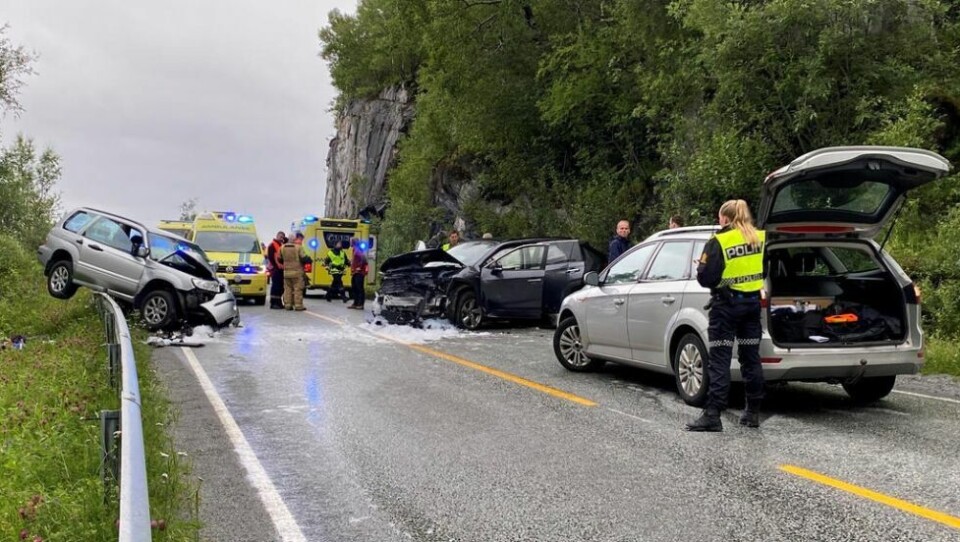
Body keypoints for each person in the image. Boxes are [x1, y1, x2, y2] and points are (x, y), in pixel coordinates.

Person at [686, 200, 766, 432]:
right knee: (751, 358)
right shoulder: (760, 238)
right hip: (752, 306)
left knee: (720, 358)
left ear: (725, 218)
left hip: (726, 308)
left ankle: (713, 414)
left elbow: (705, 277)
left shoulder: (719, 241)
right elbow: (764, 270)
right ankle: (752, 412)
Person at [278, 233, 309, 311]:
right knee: (298, 289)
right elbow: (304, 258)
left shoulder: (282, 247)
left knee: (287, 289)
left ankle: (288, 305)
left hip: (286, 272)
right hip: (297, 272)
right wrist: (309, 260)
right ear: (294, 239)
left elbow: (279, 258)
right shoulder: (298, 248)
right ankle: (298, 305)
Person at [266, 231, 286, 309]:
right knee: (276, 287)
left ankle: (278, 303)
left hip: (280, 268)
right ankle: (274, 303)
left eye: (283, 237)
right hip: (275, 269)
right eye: (281, 237)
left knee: (280, 287)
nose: (282, 238)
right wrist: (276, 266)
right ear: (277, 236)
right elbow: (271, 258)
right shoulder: (272, 245)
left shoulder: (280, 244)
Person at [348, 238, 369, 310]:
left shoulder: (357, 250)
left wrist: (359, 267)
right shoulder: (354, 249)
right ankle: (355, 303)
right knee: (354, 288)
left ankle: (360, 304)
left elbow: (363, 259)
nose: (349, 242)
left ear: (353, 242)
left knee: (359, 288)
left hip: (359, 273)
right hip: (355, 273)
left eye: (350, 241)